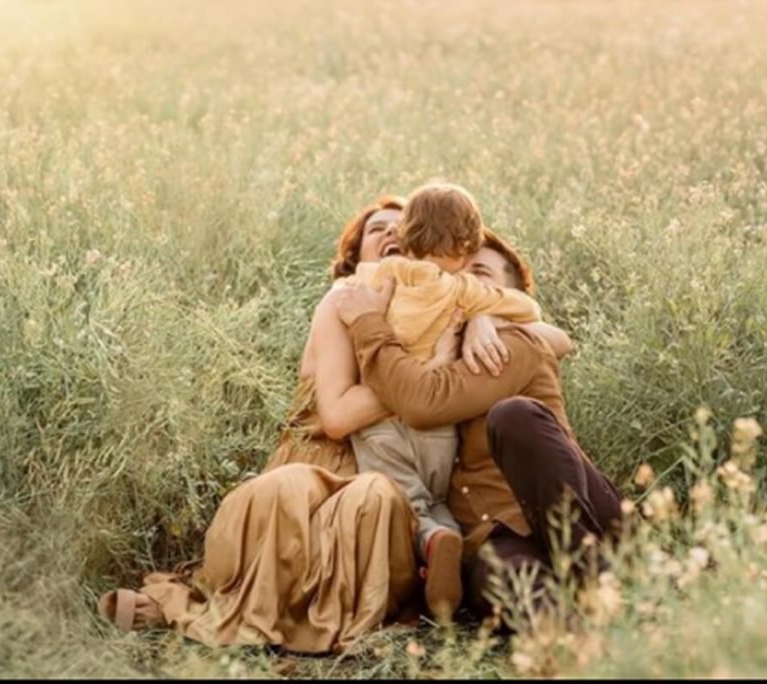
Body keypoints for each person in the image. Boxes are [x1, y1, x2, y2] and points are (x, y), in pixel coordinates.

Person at [97, 196, 422, 654]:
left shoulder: (437, 313)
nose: (391, 233)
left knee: (377, 499)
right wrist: (423, 380)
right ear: (354, 258)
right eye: (377, 229)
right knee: (285, 491)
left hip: (385, 470)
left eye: (403, 228)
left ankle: (334, 619)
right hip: (314, 461)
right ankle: (245, 602)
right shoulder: (341, 301)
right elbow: (336, 418)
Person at [332, 230, 624, 629]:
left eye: (479, 274)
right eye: (453, 273)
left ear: (509, 295)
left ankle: (596, 578)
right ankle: (572, 640)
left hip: (580, 516)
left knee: (513, 415)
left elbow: (421, 402)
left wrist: (368, 322)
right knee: (508, 581)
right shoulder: (443, 352)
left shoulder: (512, 344)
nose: (460, 284)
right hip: (494, 538)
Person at [322, 181, 547, 623]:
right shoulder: (462, 290)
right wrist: (485, 310)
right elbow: (528, 310)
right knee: (435, 493)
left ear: (404, 238)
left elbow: (352, 295)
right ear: (465, 248)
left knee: (407, 497)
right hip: (439, 431)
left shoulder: (380, 278)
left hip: (382, 425)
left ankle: (430, 539)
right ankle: (444, 534)